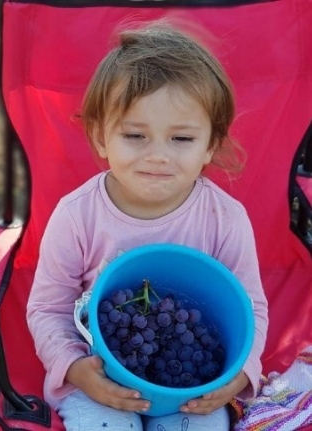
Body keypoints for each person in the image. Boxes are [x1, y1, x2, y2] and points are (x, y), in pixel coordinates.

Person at [26, 23, 268, 431]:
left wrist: (240, 374)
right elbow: (47, 308)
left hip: (191, 390)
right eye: (135, 135)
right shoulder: (77, 216)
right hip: (103, 382)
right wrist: (74, 367)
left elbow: (250, 309)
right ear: (101, 137)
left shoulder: (224, 219)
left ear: (210, 143)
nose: (158, 156)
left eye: (182, 139)